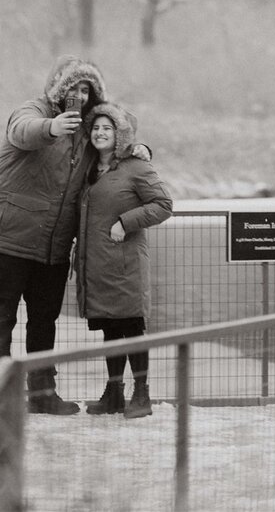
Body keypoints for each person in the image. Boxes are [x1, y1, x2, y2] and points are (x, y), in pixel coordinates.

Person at [0, 56, 149, 415]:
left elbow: (119, 131)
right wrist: (51, 128)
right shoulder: (34, 111)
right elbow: (21, 130)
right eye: (73, 87)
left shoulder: (88, 130)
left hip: (53, 245)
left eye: (87, 89)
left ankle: (41, 394)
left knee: (43, 320)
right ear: (58, 86)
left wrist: (140, 150)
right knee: (2, 314)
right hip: (9, 236)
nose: (80, 96)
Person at [75, 102, 172, 419]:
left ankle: (141, 394)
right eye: (96, 128)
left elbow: (163, 204)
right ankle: (113, 392)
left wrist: (125, 222)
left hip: (126, 263)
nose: (100, 133)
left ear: (119, 135)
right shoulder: (90, 170)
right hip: (99, 266)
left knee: (132, 327)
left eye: (107, 128)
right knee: (110, 330)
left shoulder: (136, 167)